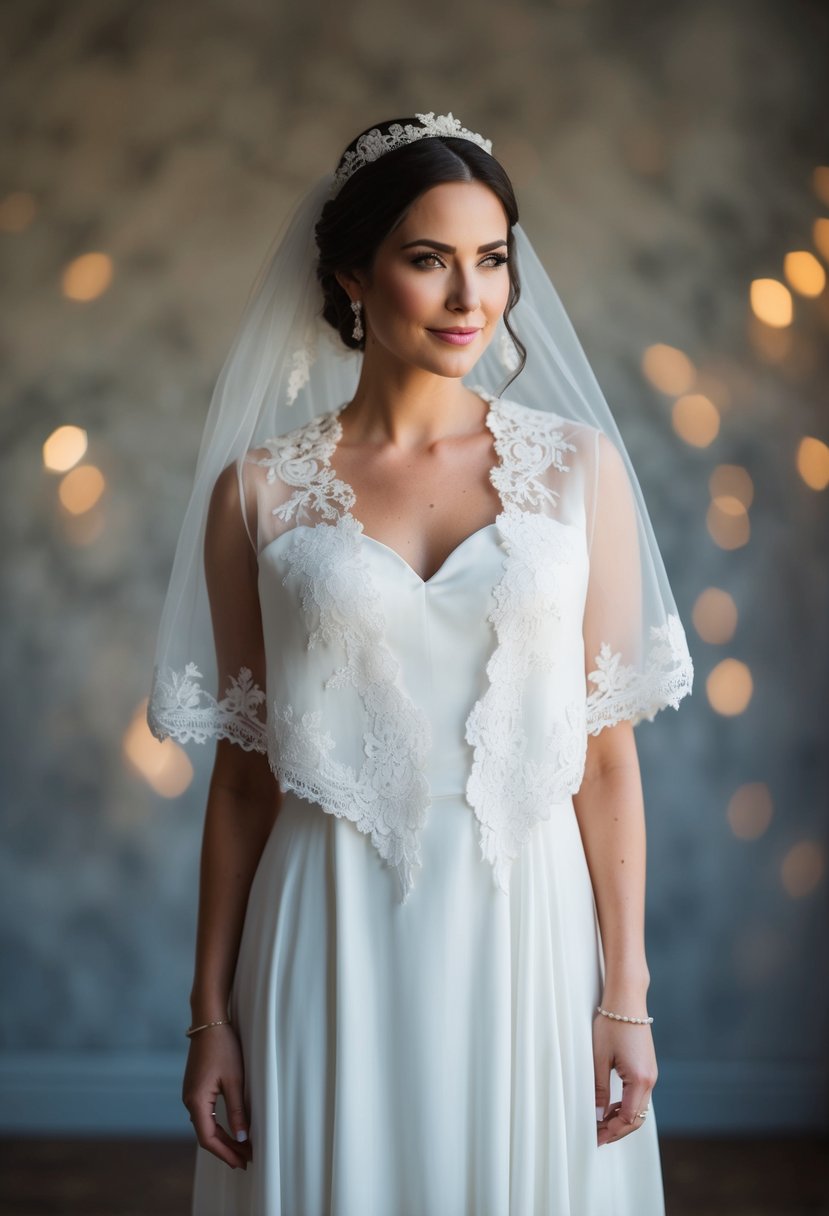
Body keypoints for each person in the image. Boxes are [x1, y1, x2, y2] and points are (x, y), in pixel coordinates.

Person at [148, 113, 694, 1215]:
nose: (469, 299)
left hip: (527, 930)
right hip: (330, 924)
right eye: (428, 260)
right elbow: (246, 779)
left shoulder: (577, 470)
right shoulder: (256, 495)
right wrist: (210, 1015)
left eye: (490, 260)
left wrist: (624, 992)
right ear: (352, 272)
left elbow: (607, 759)